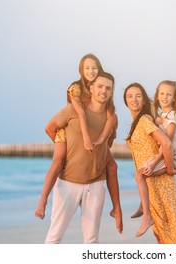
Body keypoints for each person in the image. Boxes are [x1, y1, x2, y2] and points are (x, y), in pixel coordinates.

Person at [34, 54, 122, 234]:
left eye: (94, 68)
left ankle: (117, 209)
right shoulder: (75, 89)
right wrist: (67, 144)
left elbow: (110, 128)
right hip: (67, 131)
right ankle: (42, 200)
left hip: (95, 181)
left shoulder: (107, 102)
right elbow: (75, 116)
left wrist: (98, 141)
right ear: (81, 71)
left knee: (112, 165)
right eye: (87, 68)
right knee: (58, 162)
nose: (91, 71)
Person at [123, 82, 176, 243]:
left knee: (173, 232)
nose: (134, 99)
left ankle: (145, 212)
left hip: (162, 184)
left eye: (138, 96)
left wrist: (168, 169)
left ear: (145, 100)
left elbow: (167, 143)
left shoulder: (145, 120)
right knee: (164, 232)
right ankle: (144, 207)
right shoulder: (149, 120)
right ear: (125, 101)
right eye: (130, 96)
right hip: (154, 184)